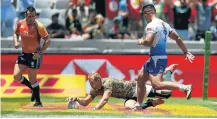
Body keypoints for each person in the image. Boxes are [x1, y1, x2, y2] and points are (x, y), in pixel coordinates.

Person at [134, 4, 195, 110]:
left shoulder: (151, 25)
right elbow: (177, 38)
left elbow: (148, 41)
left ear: (148, 13)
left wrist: (141, 41)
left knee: (156, 85)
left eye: (144, 15)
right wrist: (186, 52)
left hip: (156, 59)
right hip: (157, 58)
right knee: (140, 78)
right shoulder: (165, 24)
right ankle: (138, 105)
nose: (144, 17)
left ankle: (184, 87)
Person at [66, 64, 179, 110]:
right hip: (130, 96)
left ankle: (168, 72)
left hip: (137, 89)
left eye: (91, 82)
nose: (90, 85)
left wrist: (95, 109)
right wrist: (77, 99)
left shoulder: (107, 82)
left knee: (167, 94)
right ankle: (152, 103)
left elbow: (105, 99)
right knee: (131, 108)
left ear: (98, 80)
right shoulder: (95, 88)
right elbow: (85, 102)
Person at [13, 7, 50, 107]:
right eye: (29, 16)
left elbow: (47, 40)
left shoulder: (39, 26)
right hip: (24, 54)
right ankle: (32, 88)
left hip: (34, 55)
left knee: (32, 79)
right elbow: (15, 33)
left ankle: (38, 102)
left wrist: (40, 52)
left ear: (35, 16)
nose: (31, 18)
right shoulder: (20, 23)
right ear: (26, 15)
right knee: (16, 76)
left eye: (33, 16)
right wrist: (16, 42)